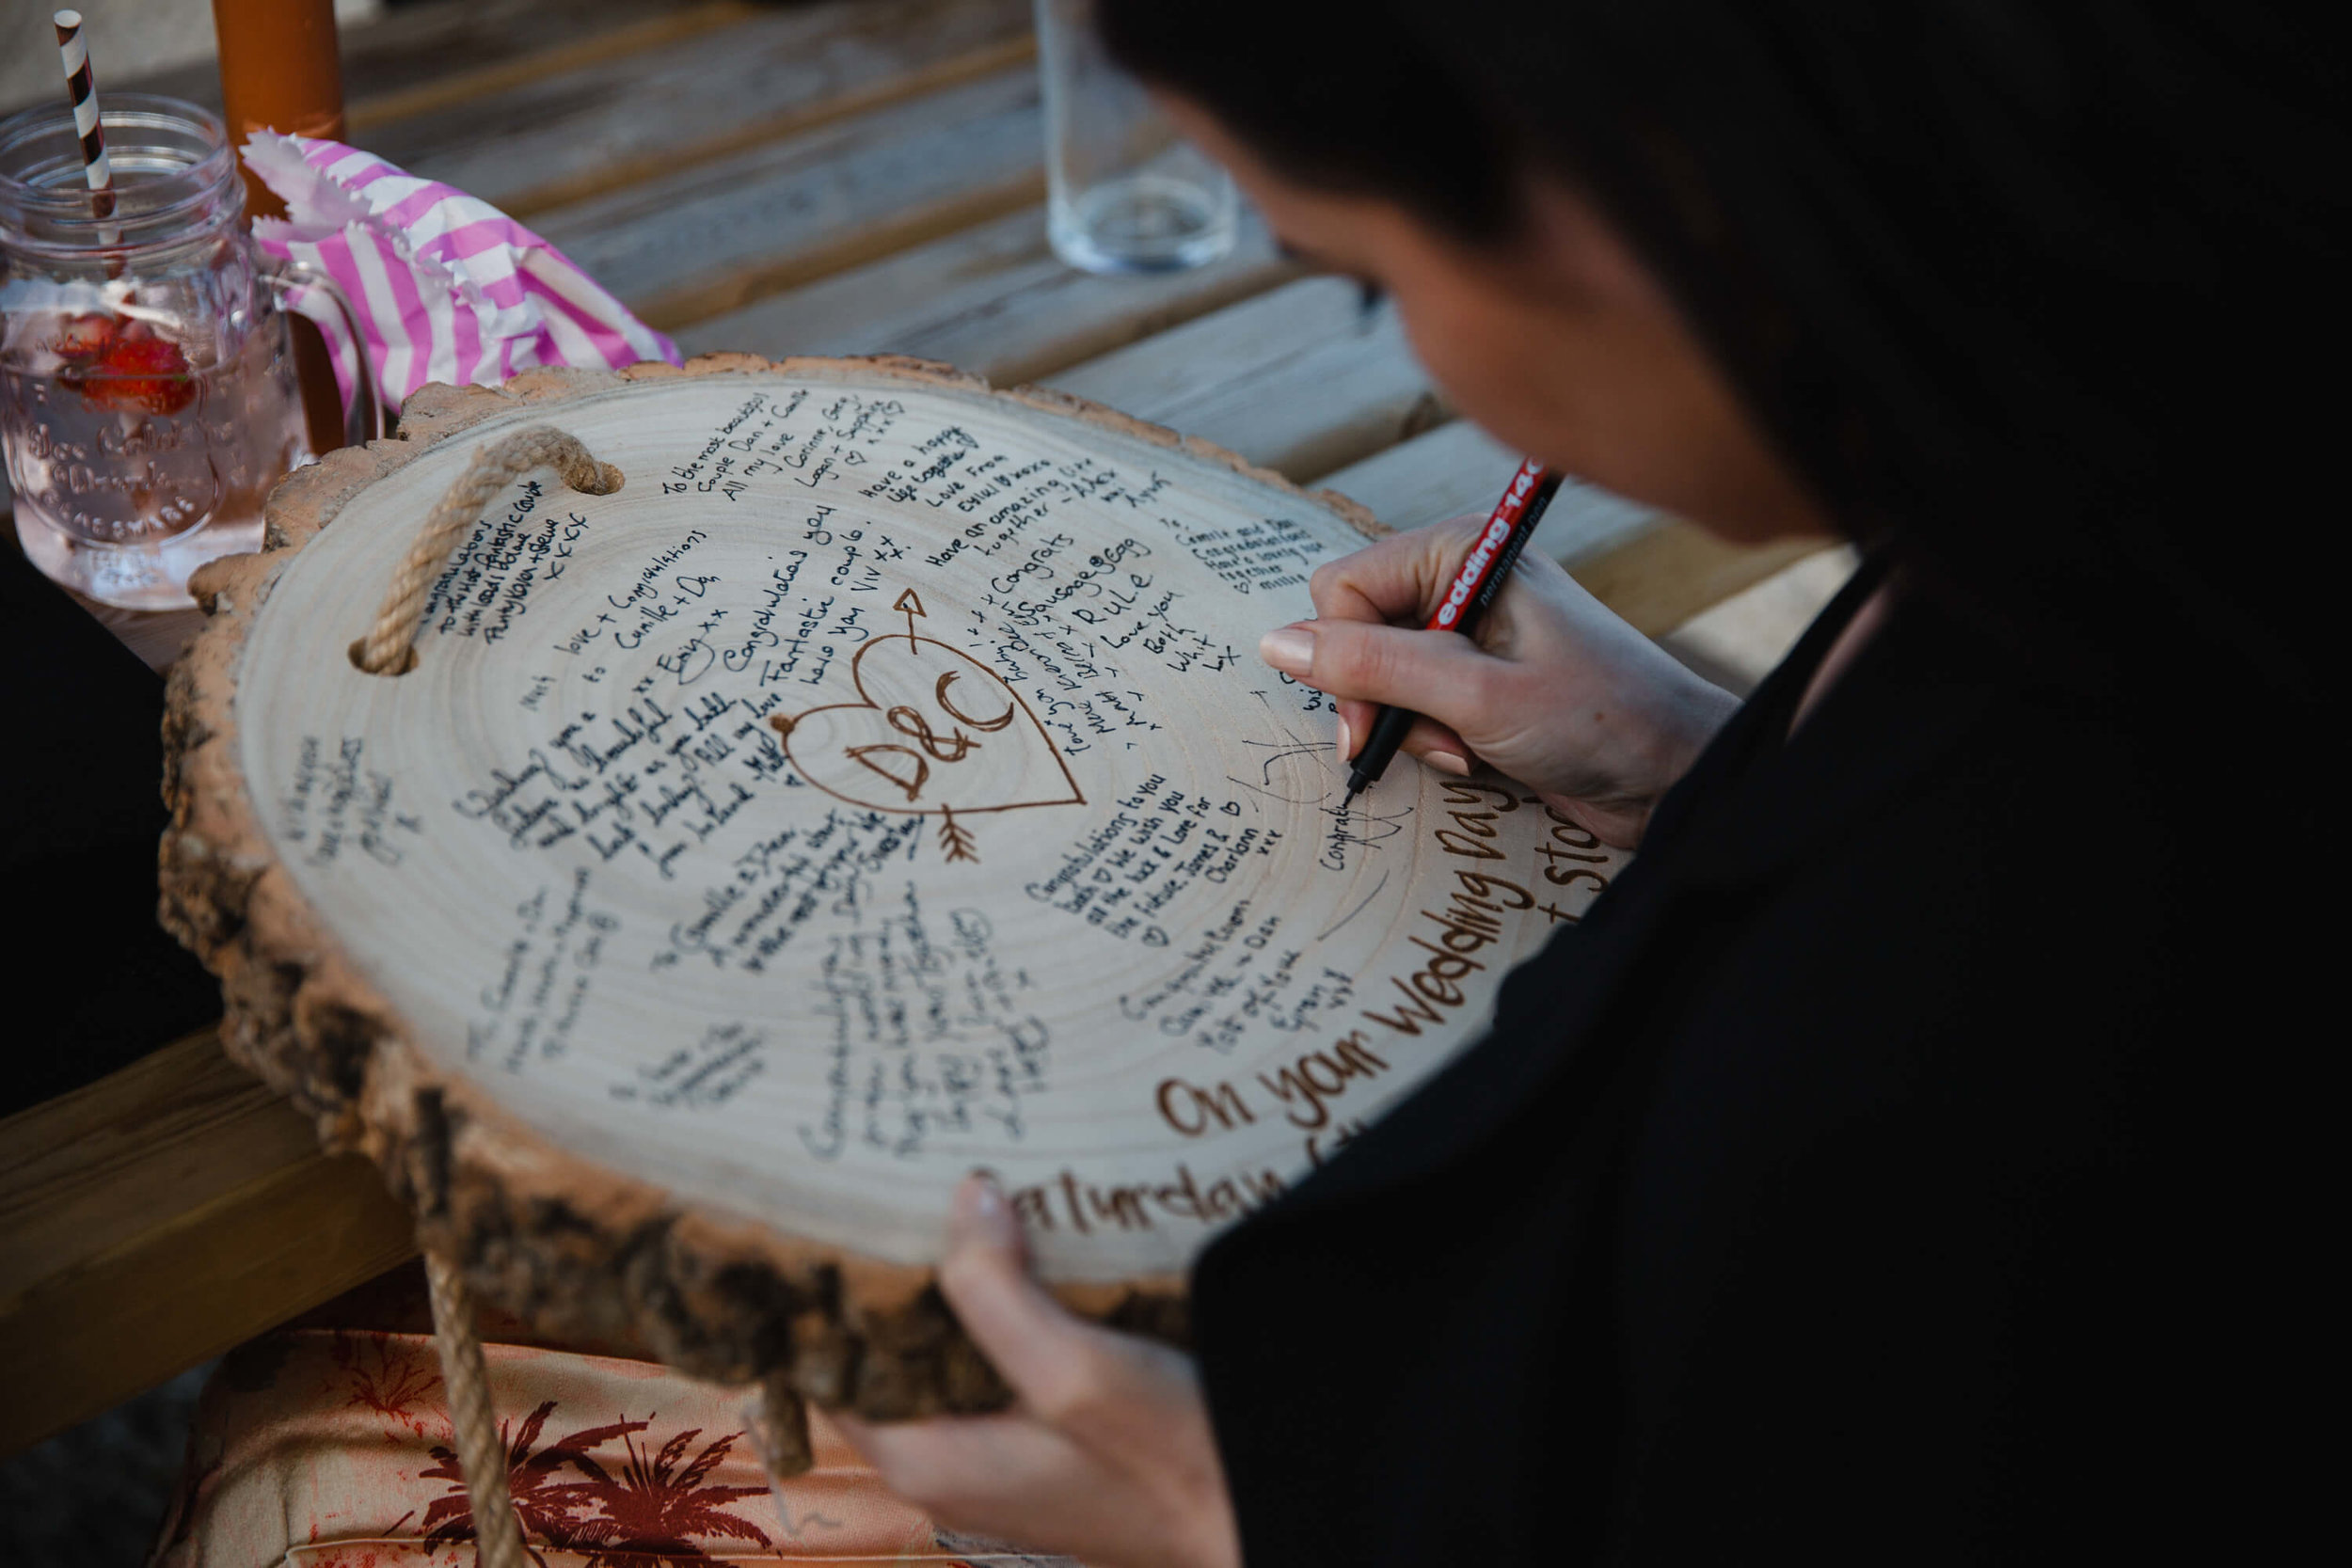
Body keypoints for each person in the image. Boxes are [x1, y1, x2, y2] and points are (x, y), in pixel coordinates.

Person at [833, 3, 2343, 1564]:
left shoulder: (2016, 970)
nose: (1419, 348)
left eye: (1368, 281)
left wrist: (1232, 1514)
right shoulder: (2171, 459)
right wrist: (1707, 762)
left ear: (1644, 179)